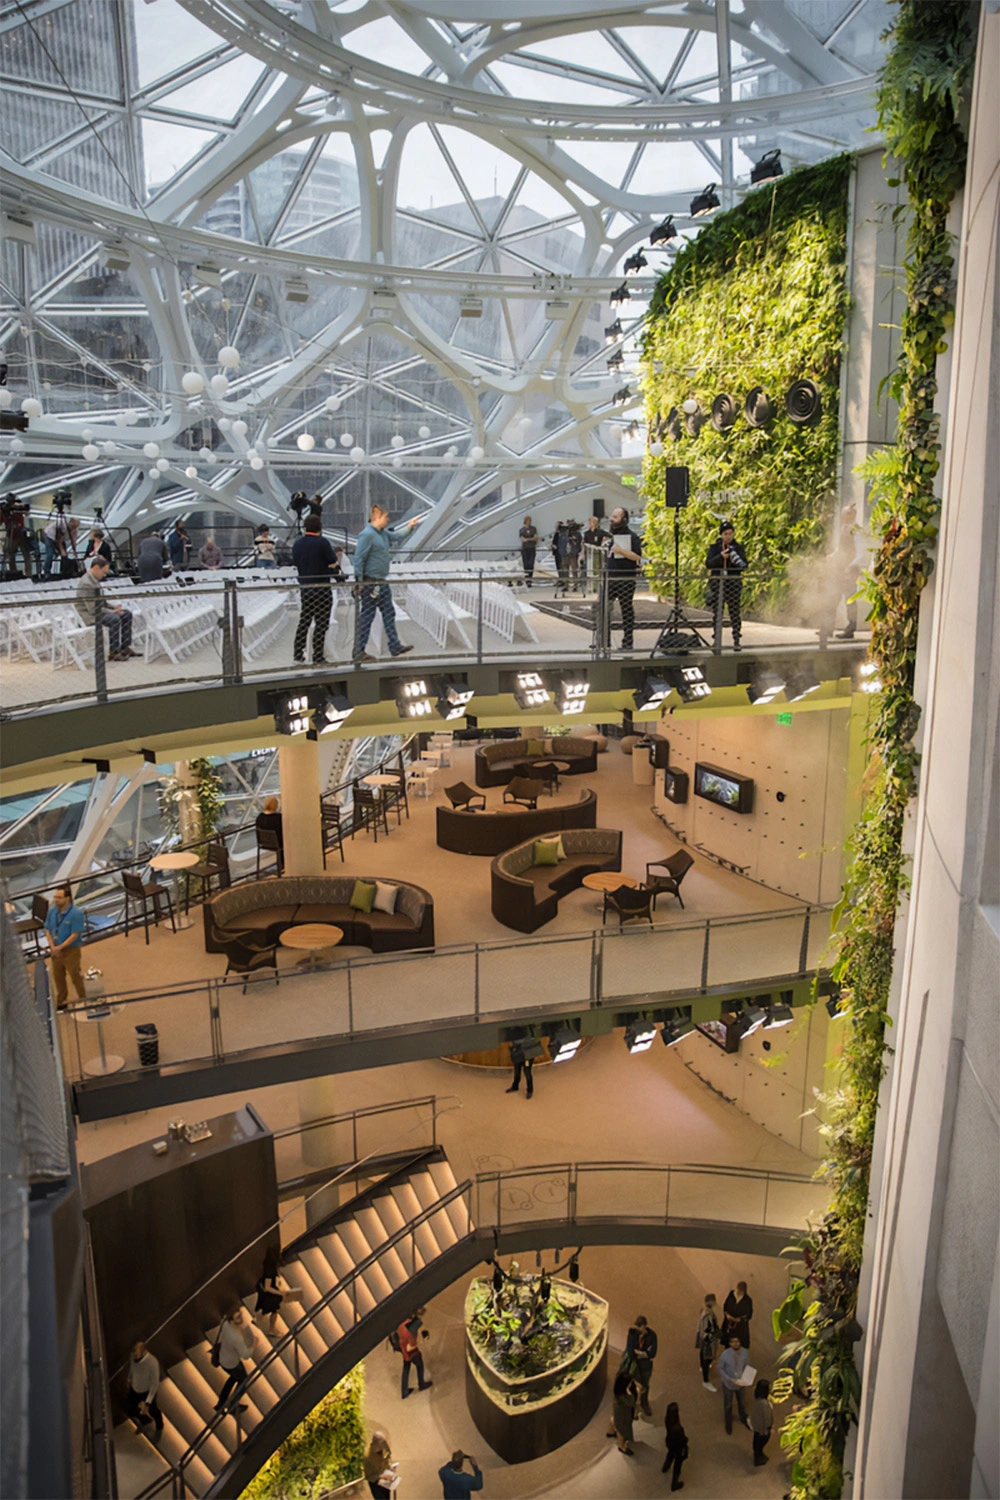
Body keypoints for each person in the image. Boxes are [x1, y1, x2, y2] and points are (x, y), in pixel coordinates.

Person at [352, 504, 421, 661]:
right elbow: (359, 558)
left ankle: (394, 645)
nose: (388, 520)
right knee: (368, 617)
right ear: (377, 517)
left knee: (388, 613)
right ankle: (359, 651)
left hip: (380, 582)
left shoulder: (381, 534)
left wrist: (410, 527)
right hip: (372, 583)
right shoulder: (367, 535)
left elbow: (396, 536)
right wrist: (359, 581)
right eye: (385, 517)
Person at [291, 515, 339, 665]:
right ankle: (318, 655)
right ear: (319, 527)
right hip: (322, 587)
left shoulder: (297, 544)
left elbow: (296, 561)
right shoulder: (322, 543)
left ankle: (298, 654)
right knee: (321, 622)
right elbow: (332, 560)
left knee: (304, 621)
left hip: (306, 587)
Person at [76, 555, 137, 661]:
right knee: (114, 619)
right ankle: (114, 651)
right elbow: (92, 609)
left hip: (99, 611)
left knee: (126, 614)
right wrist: (113, 611)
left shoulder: (94, 580)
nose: (104, 575)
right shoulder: (87, 584)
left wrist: (114, 607)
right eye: (103, 572)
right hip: (89, 616)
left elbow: (102, 602)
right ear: (96, 568)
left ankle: (125, 646)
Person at [604, 507, 643, 652]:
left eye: (615, 517)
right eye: (612, 516)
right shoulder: (613, 537)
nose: (612, 519)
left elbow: (638, 557)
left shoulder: (632, 536)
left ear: (623, 519)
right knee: (604, 608)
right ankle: (604, 640)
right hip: (611, 577)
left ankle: (628, 641)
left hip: (625, 578)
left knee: (626, 609)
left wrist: (621, 551)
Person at [705, 521, 748, 651]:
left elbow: (744, 564)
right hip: (718, 584)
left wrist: (734, 559)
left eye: (730, 534)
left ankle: (736, 639)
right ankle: (717, 640)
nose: (728, 536)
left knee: (734, 612)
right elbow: (708, 563)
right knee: (717, 613)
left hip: (733, 584)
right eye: (725, 534)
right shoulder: (715, 548)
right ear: (721, 534)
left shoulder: (738, 547)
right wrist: (721, 557)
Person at [44, 884, 87, 1008]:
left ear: (67, 898)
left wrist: (60, 947)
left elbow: (75, 934)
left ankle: (84, 999)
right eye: (55, 897)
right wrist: (52, 946)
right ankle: (62, 1001)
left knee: (75, 976)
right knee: (58, 977)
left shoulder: (76, 913)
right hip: (56, 949)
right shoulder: (52, 911)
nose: (56, 899)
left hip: (71, 950)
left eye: (59, 897)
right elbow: (47, 929)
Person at [214, 1303, 255, 1412]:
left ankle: (221, 1403)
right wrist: (253, 1344)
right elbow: (246, 1355)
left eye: (241, 1315)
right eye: (238, 1317)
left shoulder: (226, 1325)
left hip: (224, 1359)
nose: (241, 1318)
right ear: (232, 1321)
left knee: (233, 1379)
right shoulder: (235, 1337)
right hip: (232, 1364)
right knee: (243, 1380)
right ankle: (233, 1404)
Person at [833, 503, 862, 639]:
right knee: (833, 596)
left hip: (849, 570)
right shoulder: (844, 528)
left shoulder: (855, 530)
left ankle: (851, 628)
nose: (843, 517)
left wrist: (850, 566)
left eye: (846, 514)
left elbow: (860, 551)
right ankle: (827, 627)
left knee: (850, 599)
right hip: (839, 569)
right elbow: (842, 548)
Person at [125, 1341, 164, 1440]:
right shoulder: (134, 1358)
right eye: (133, 1356)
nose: (134, 1358)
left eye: (136, 1356)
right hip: (135, 1389)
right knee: (130, 1409)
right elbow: (132, 1368)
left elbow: (155, 1383)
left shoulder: (152, 1363)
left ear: (143, 1352)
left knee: (153, 1410)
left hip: (147, 1392)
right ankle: (145, 1421)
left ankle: (159, 1427)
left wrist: (147, 1402)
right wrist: (129, 1378)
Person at [624, 1315, 658, 1416]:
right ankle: (633, 1407)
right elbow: (630, 1351)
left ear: (644, 1326)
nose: (638, 1329)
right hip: (635, 1365)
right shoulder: (632, 1334)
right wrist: (643, 1353)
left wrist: (639, 1353)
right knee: (633, 1386)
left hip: (645, 1366)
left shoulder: (652, 1336)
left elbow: (653, 1353)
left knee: (645, 1385)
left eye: (640, 1327)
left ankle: (644, 1403)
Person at [717, 1335, 751, 1435]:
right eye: (733, 1342)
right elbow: (720, 1368)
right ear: (730, 1343)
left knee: (742, 1401)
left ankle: (742, 1417)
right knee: (728, 1404)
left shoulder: (745, 1352)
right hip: (729, 1383)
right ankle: (728, 1422)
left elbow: (746, 1366)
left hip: (741, 1383)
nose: (735, 1344)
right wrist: (728, 1379)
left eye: (737, 1342)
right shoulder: (725, 1354)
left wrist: (745, 1378)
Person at [398, 1308, 432, 1398]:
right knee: (419, 1365)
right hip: (410, 1351)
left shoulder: (401, 1325)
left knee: (406, 1367)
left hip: (403, 1348)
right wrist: (420, 1338)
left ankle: (404, 1390)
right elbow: (412, 1345)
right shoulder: (409, 1332)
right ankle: (421, 1383)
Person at [3, 493, 35, 578]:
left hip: (21, 533)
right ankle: (13, 573)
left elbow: (26, 513)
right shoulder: (5, 510)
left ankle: (28, 574)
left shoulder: (17, 509)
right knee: (11, 555)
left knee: (26, 554)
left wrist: (20, 509)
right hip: (12, 534)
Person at [254, 1253, 283, 1338]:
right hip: (268, 1295)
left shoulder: (270, 1269)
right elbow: (267, 1287)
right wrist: (280, 1293)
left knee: (268, 1309)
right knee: (273, 1310)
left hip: (266, 1292)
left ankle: (257, 1320)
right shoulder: (270, 1272)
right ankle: (271, 1329)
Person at [696, 1292, 721, 1390]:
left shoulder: (703, 1310)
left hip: (703, 1339)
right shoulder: (708, 1314)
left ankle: (702, 1368)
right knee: (707, 1358)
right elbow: (709, 1328)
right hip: (708, 1341)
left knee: (703, 1355)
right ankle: (706, 1381)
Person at [608, 1370, 637, 1454]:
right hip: (623, 1414)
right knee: (621, 1430)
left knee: (614, 1419)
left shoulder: (617, 1391)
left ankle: (611, 1431)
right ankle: (621, 1446)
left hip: (618, 1410)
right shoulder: (625, 1397)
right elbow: (632, 1403)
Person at [662, 1401, 688, 1491]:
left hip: (670, 1442)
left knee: (670, 1454)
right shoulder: (678, 1428)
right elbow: (682, 1440)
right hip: (678, 1447)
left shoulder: (667, 1420)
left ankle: (665, 1467)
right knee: (678, 1464)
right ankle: (674, 1483)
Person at [363, 1431, 397, 1498]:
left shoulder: (383, 1448)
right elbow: (369, 1476)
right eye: (381, 1443)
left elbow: (388, 1456)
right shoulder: (367, 1457)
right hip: (376, 1484)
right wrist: (382, 1476)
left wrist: (391, 1467)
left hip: (385, 1481)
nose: (383, 1445)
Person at [255, 796, 284, 871]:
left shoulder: (259, 817)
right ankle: (284, 864)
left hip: (263, 843)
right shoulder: (278, 818)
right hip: (278, 844)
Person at [723, 1281, 753, 1349]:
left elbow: (749, 1314)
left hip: (740, 1328)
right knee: (728, 1346)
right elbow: (725, 1306)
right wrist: (727, 1315)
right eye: (738, 1290)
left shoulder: (747, 1300)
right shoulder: (731, 1295)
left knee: (740, 1347)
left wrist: (739, 1320)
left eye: (741, 1291)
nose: (739, 1292)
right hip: (729, 1326)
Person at [751, 1377, 773, 1465]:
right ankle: (758, 1457)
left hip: (757, 1426)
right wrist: (768, 1429)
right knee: (761, 1442)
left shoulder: (758, 1400)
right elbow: (767, 1419)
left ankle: (758, 1455)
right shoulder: (764, 1405)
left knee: (756, 1441)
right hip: (762, 1429)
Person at [582, 515, 607, 591]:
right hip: (589, 553)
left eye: (593, 522)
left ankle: (597, 586)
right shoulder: (586, 533)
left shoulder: (600, 532)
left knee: (597, 569)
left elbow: (610, 536)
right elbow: (584, 543)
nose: (591, 523)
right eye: (590, 522)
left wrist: (603, 542)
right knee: (589, 569)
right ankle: (590, 586)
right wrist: (582, 553)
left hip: (597, 553)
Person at [518, 515, 538, 587]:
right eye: (528, 521)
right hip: (525, 548)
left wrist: (528, 539)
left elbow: (535, 538)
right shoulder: (522, 530)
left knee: (531, 563)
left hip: (531, 547)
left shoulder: (533, 529)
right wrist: (530, 539)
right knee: (526, 564)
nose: (529, 523)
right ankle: (527, 578)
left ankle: (530, 579)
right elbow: (523, 539)